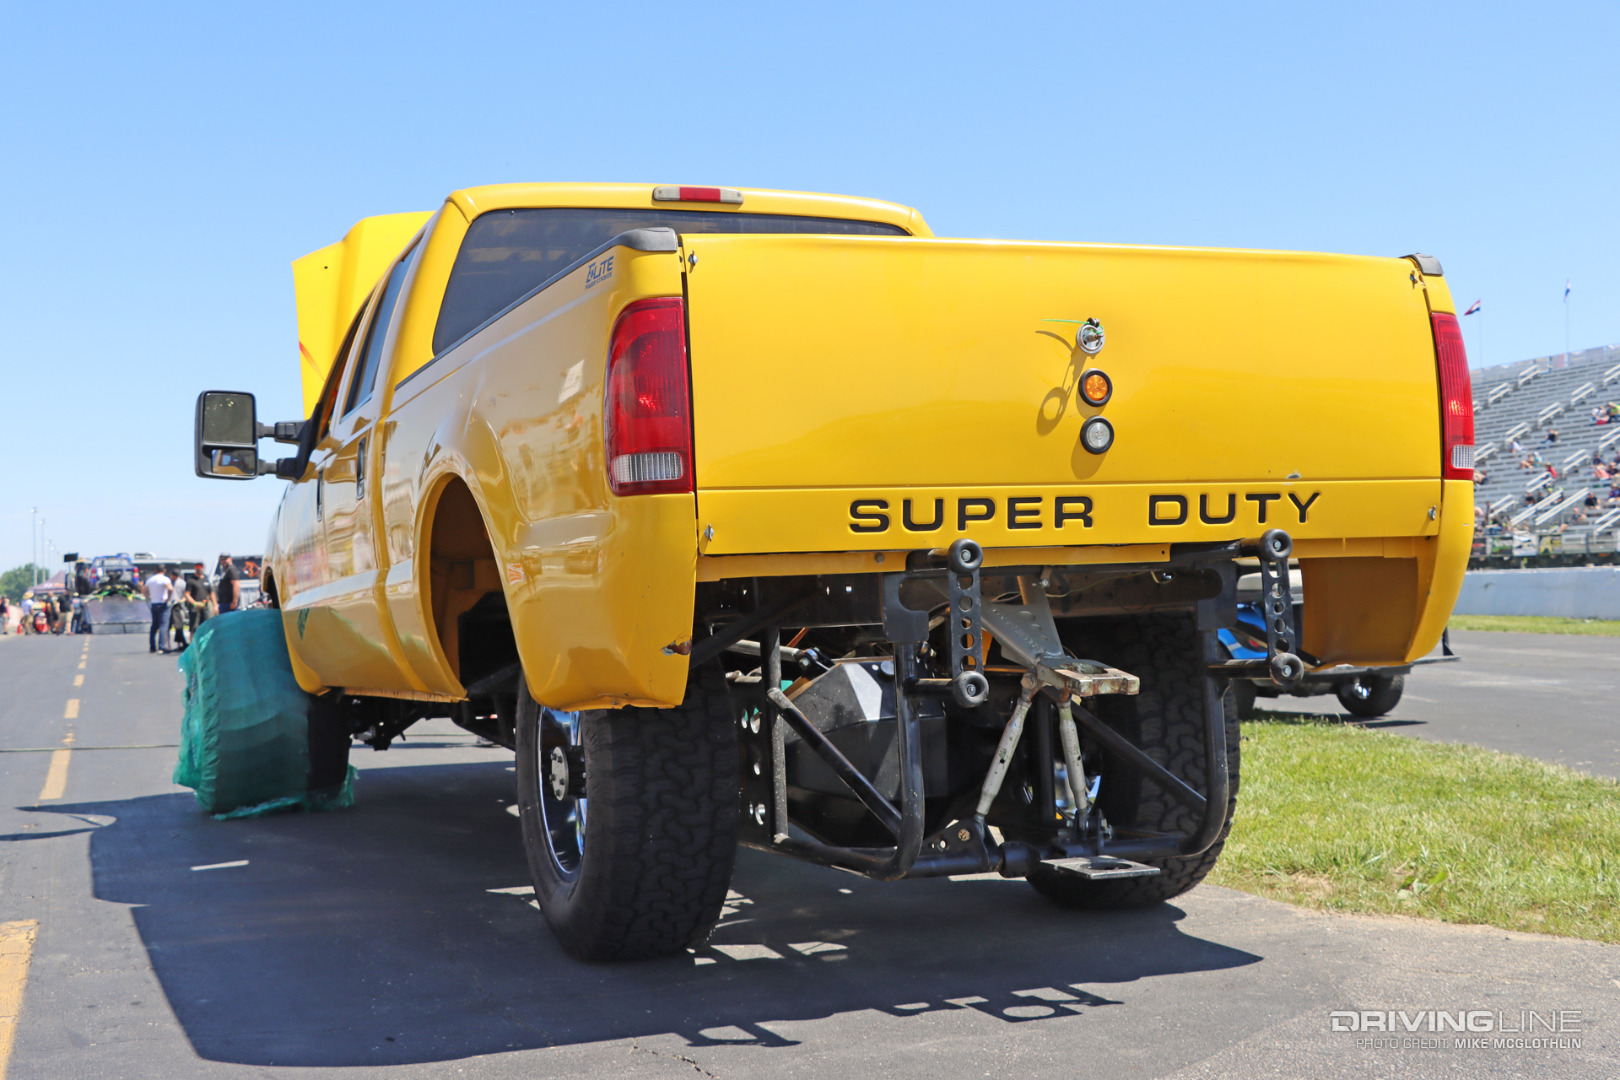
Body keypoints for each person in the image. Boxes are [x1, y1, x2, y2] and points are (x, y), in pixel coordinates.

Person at [179, 563, 211, 646]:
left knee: (206, 626)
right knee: (194, 627)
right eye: (198, 567)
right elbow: (187, 594)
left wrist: (214, 604)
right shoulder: (191, 581)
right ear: (195, 568)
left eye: (201, 567)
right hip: (195, 607)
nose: (199, 569)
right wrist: (195, 603)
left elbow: (210, 593)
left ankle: (205, 644)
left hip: (204, 606)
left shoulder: (206, 580)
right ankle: (192, 645)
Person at [145, 566, 174, 654]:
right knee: (163, 625)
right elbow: (170, 588)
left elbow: (144, 589)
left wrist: (147, 598)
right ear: (164, 570)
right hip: (163, 603)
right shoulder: (165, 579)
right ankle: (162, 646)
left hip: (154, 603)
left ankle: (152, 646)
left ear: (156, 570)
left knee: (154, 624)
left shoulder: (150, 580)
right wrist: (168, 598)